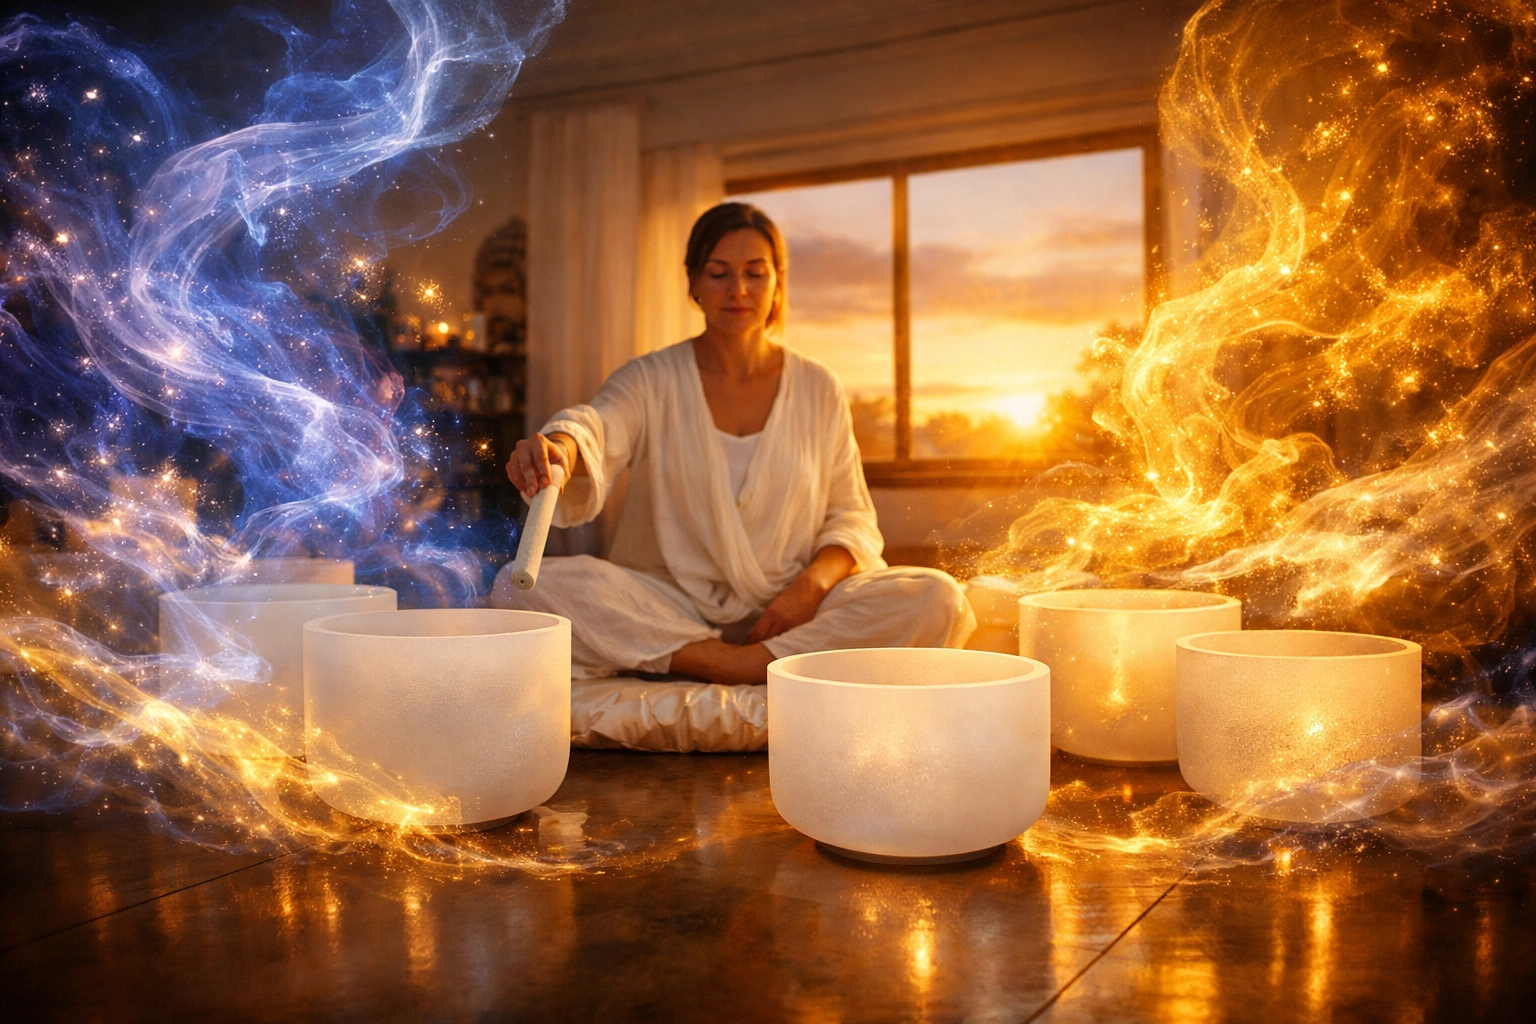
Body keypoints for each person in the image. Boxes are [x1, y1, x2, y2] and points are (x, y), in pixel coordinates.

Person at [492, 202, 974, 685]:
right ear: (694, 282)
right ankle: (730, 661)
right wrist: (559, 447)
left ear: (778, 281)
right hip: (668, 604)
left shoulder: (818, 387)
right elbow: (596, 426)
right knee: (522, 588)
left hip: (792, 608)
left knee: (937, 597)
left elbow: (851, 518)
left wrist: (808, 589)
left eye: (755, 274)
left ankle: (739, 655)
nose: (738, 290)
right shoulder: (652, 378)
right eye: (719, 273)